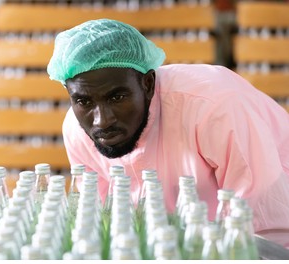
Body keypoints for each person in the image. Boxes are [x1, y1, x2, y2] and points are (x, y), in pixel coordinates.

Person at [47, 19, 289, 248]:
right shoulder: (77, 129)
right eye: (83, 101)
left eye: (117, 97)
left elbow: (265, 231)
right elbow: (105, 221)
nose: (102, 121)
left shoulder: (213, 108)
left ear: (148, 84)